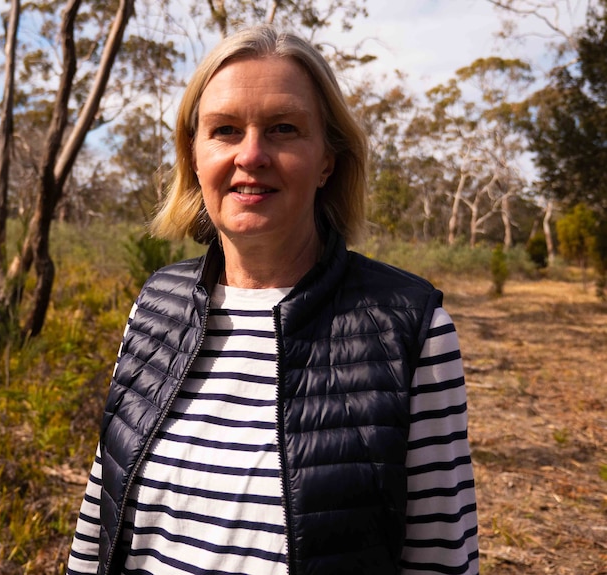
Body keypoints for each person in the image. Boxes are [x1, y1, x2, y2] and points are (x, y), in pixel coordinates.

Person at [66, 24, 479, 575]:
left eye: (284, 128)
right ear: (194, 156)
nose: (252, 155)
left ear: (327, 160)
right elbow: (99, 520)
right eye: (225, 130)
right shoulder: (155, 304)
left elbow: (441, 561)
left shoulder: (411, 327)